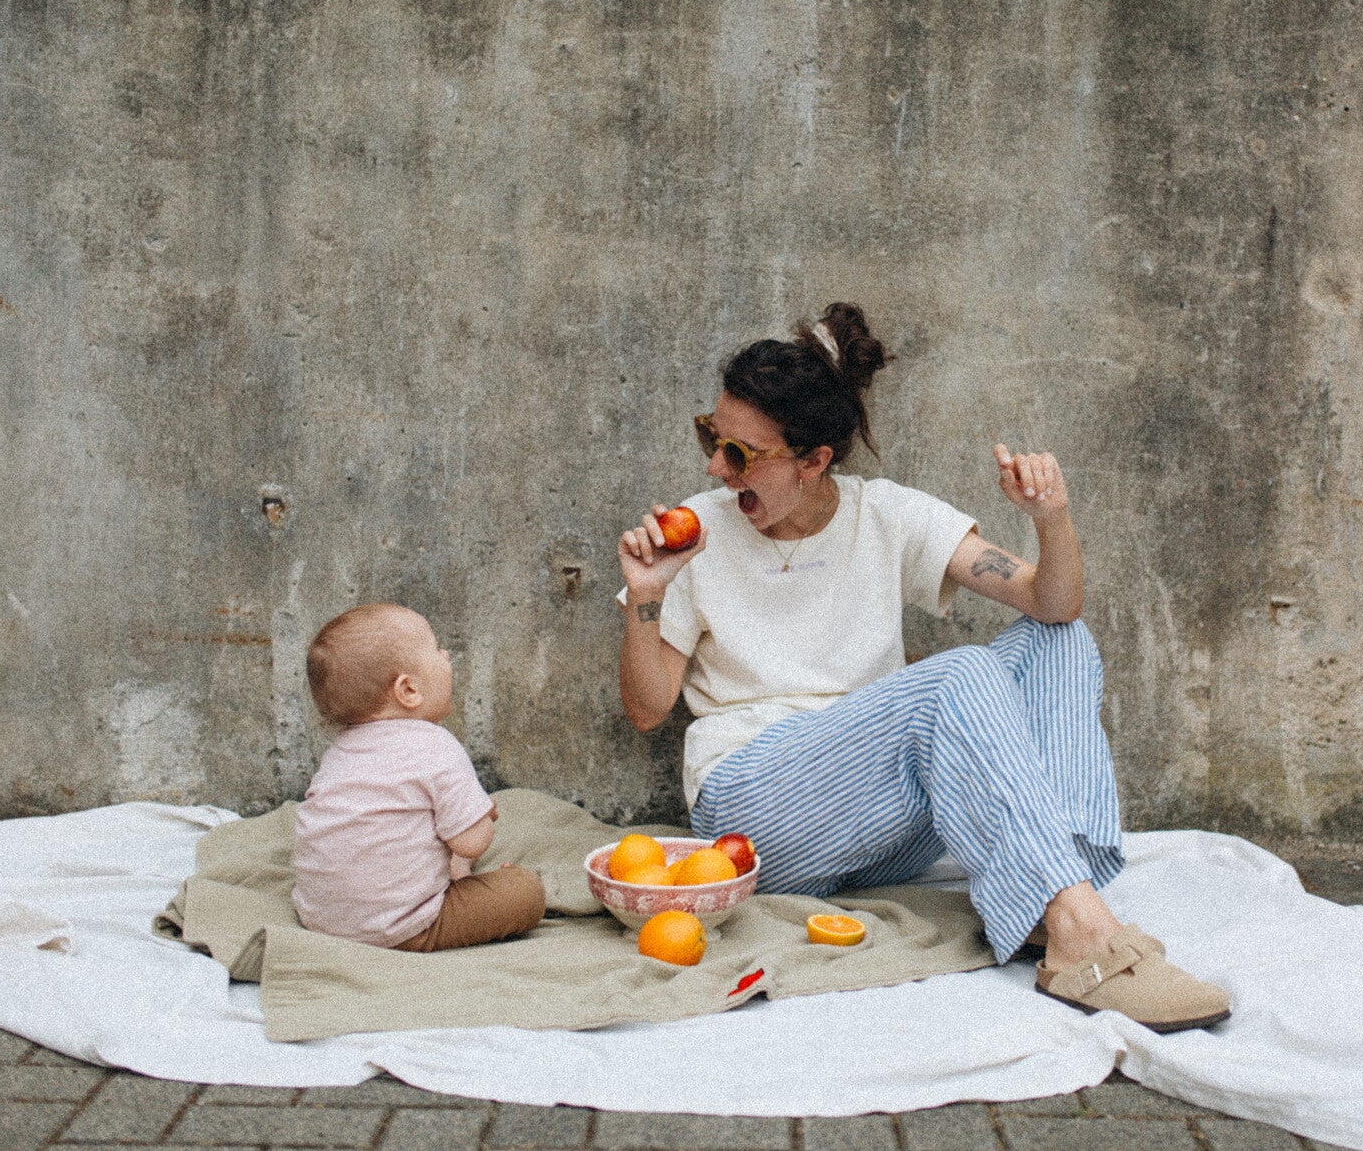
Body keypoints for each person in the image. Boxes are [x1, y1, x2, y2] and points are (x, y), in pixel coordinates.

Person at [616, 304, 1230, 1031]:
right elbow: (649, 707)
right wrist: (648, 595)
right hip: (753, 811)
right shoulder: (701, 528)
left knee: (1059, 641)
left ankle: (1060, 906)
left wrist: (1051, 517)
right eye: (711, 439)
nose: (716, 467)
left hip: (878, 824)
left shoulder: (887, 516)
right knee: (957, 676)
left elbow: (1052, 601)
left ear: (814, 461)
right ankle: (1083, 937)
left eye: (742, 455)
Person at [292, 603, 545, 952]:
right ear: (409, 690)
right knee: (526, 890)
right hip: (401, 927)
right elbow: (473, 843)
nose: (446, 655)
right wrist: (482, 815)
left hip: (321, 918)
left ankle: (448, 878)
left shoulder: (341, 751)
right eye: (436, 648)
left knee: (436, 840)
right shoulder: (436, 746)